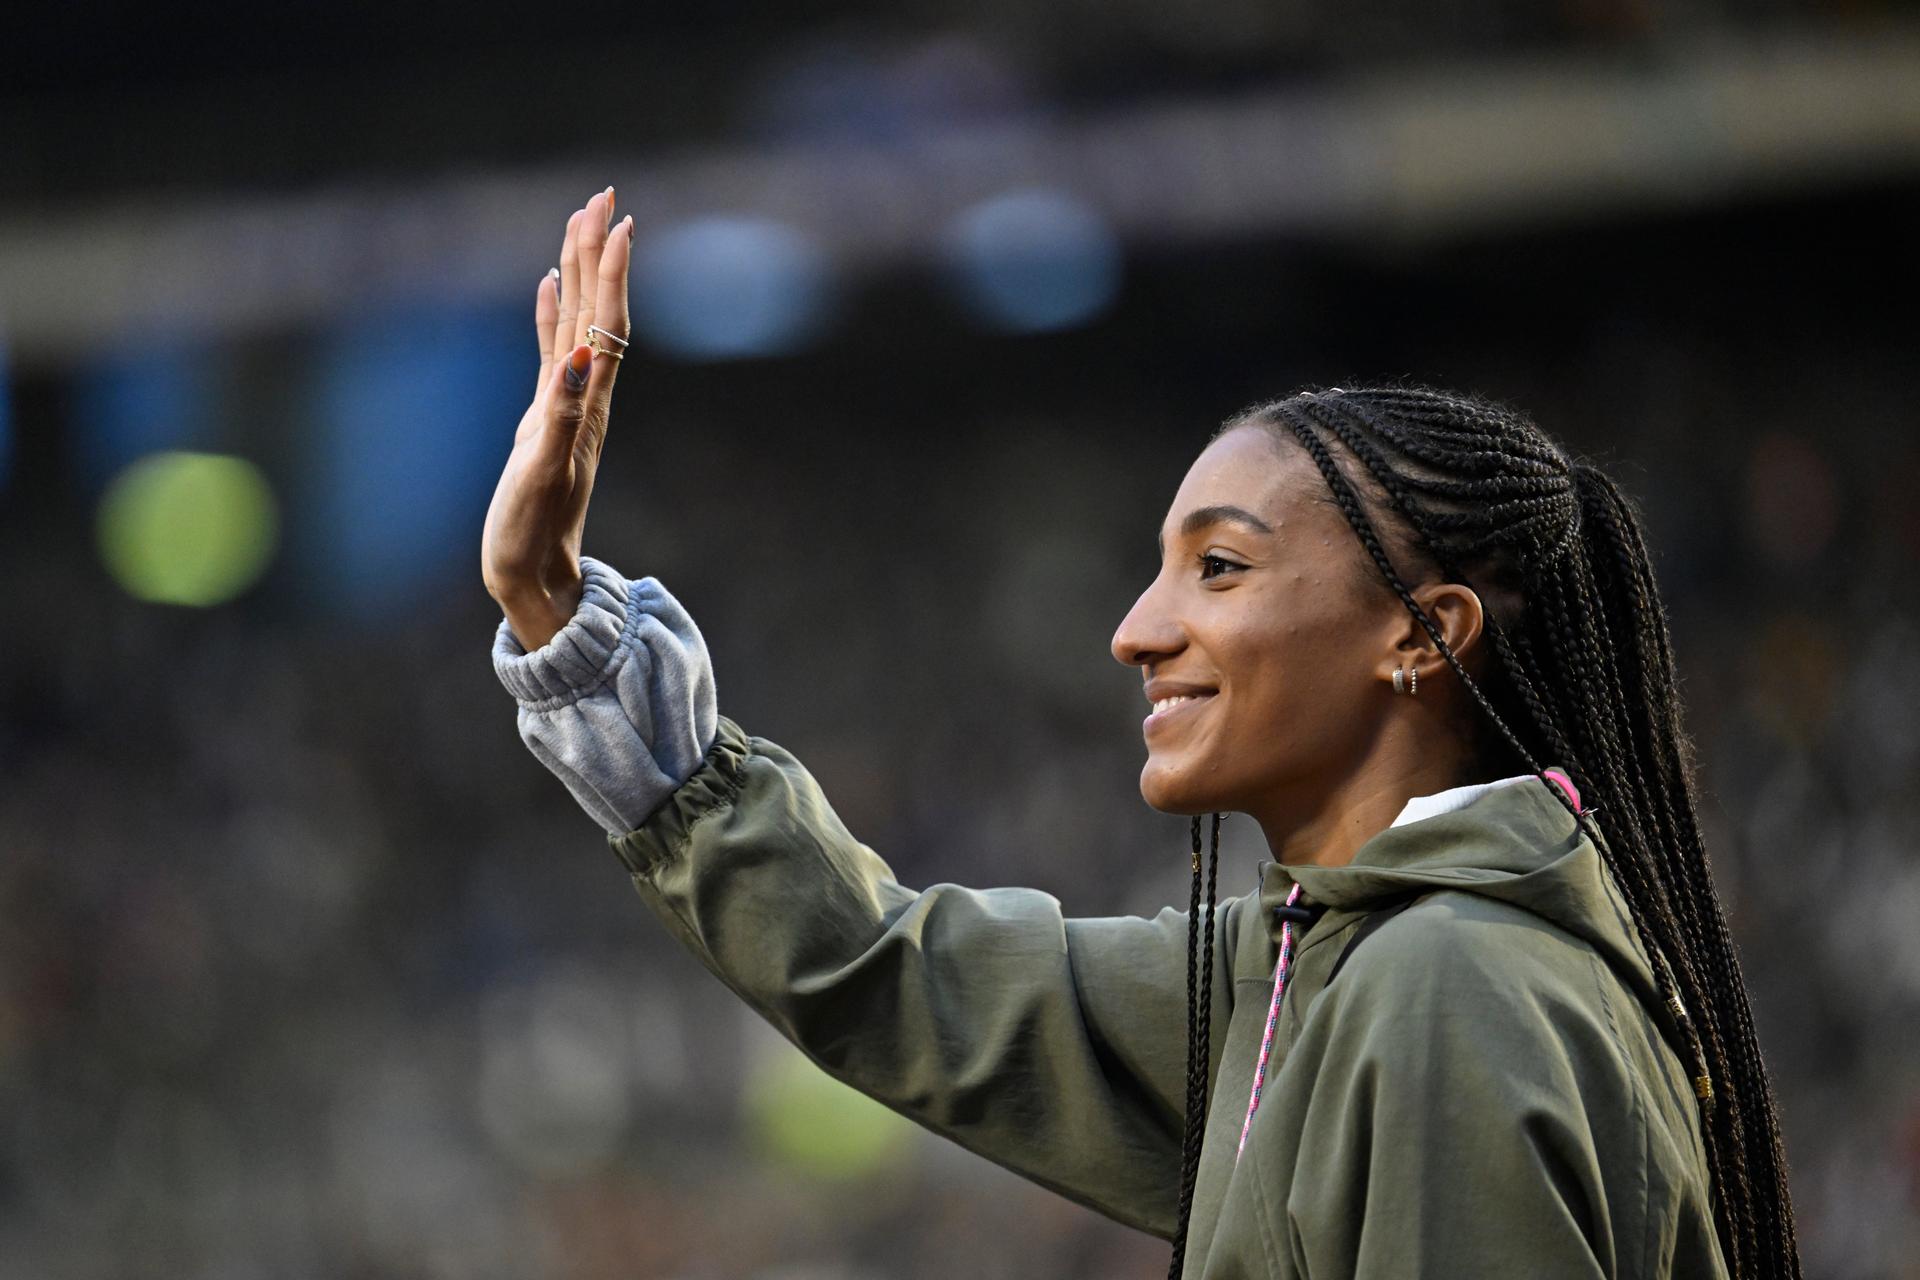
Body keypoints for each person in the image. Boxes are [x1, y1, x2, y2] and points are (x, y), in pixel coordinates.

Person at [481, 189, 1802, 1278]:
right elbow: (897, 976)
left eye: (1219, 568)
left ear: (1422, 634)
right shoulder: (1323, 969)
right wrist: (559, 616)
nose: (1135, 630)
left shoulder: (1446, 986)